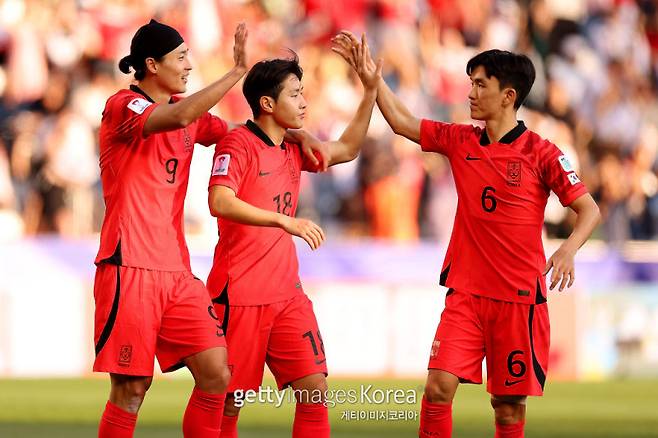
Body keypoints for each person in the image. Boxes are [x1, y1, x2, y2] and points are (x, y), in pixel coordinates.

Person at [332, 33, 601, 438]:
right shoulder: (462, 140)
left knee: (508, 410)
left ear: (508, 95)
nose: (471, 93)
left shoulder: (542, 153)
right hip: (467, 295)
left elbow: (589, 210)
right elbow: (404, 123)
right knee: (437, 387)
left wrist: (567, 249)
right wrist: (372, 81)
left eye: (480, 85)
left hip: (518, 299)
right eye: (470, 83)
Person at [93, 19, 327, 438]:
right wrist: (236, 73)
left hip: (178, 273)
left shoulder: (194, 119)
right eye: (180, 57)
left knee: (219, 374)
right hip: (129, 266)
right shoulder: (122, 106)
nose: (188, 65)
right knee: (131, 388)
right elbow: (179, 113)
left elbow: (250, 132)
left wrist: (297, 133)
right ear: (151, 64)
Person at [205, 41, 382, 438]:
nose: (304, 102)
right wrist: (283, 221)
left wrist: (369, 90)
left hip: (287, 294)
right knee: (229, 401)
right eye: (295, 94)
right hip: (240, 294)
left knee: (314, 390)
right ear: (267, 103)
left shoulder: (293, 146)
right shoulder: (237, 144)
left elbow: (348, 148)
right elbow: (219, 200)